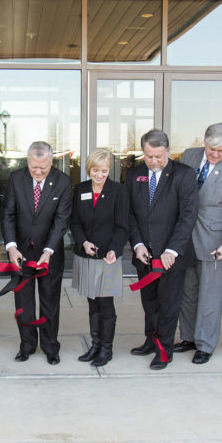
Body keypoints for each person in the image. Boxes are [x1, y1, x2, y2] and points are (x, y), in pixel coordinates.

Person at [175, 123, 222, 365]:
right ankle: (188, 337)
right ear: (203, 142)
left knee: (210, 296)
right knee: (187, 292)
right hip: (186, 237)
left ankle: (205, 344)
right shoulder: (189, 156)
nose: (215, 154)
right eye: (211, 149)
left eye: (221, 150)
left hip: (215, 242)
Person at [126, 129, 198, 370]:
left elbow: (188, 216)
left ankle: (164, 350)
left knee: (168, 306)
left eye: (158, 156)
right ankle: (150, 339)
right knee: (150, 303)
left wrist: (172, 250)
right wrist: (136, 245)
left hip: (171, 257)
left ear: (168, 151)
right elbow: (131, 215)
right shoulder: (134, 175)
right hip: (144, 255)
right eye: (149, 156)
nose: (153, 161)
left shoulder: (184, 175)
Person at [3, 141, 73, 364]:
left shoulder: (63, 182)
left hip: (49, 253)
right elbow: (8, 215)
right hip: (21, 253)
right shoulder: (16, 179)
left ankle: (51, 346)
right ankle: (27, 345)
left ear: (51, 162)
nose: (39, 172)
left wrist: (48, 251)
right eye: (34, 167)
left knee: (50, 301)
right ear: (28, 161)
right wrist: (11, 247)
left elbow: (61, 220)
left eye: (43, 167)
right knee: (23, 303)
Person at [70, 148, 129, 367]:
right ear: (89, 169)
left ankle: (106, 348)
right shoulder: (80, 189)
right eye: (96, 170)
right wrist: (83, 242)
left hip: (108, 257)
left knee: (105, 304)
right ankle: (95, 345)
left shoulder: (118, 191)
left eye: (104, 171)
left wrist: (115, 249)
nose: (100, 175)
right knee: (92, 302)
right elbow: (74, 222)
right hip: (85, 255)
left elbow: (123, 226)